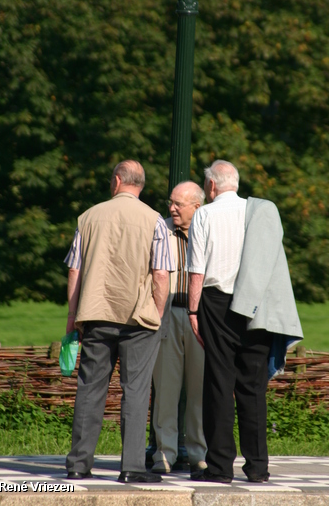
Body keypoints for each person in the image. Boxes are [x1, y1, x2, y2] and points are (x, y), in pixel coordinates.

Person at [187, 160, 303, 484]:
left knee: (219, 385)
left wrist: (193, 312)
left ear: (211, 186)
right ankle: (257, 468)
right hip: (256, 305)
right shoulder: (258, 213)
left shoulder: (204, 214)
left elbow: (196, 270)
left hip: (215, 303)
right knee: (253, 389)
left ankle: (220, 468)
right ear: (235, 183)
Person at [64, 160, 174, 484]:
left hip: (96, 314)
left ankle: (78, 464)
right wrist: (156, 310)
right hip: (139, 318)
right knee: (136, 391)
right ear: (140, 185)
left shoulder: (88, 217)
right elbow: (161, 273)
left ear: (116, 181)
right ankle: (132, 467)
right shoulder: (155, 220)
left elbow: (75, 270)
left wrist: (73, 318)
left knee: (90, 389)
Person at [151, 181, 207, 479]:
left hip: (201, 319)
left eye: (178, 204)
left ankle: (199, 454)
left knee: (200, 391)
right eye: (170, 202)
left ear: (196, 207)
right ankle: (164, 453)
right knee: (166, 389)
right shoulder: (160, 230)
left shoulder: (209, 230)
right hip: (168, 316)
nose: (171, 208)